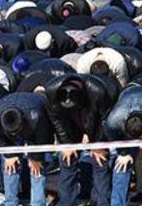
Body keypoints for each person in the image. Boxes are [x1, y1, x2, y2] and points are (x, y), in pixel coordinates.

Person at [45, 74, 116, 206]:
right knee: (67, 159)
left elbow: (105, 120)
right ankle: (66, 202)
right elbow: (56, 119)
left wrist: (99, 144)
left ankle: (101, 201)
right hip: (69, 125)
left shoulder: (98, 92)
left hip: (96, 122)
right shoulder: (51, 91)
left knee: (100, 160)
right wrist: (66, 144)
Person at [0, 92, 54, 206]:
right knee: (10, 165)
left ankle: (38, 203)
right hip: (10, 132)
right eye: (12, 132)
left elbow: (41, 138)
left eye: (16, 131)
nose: (14, 134)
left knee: (37, 167)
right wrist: (9, 155)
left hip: (36, 129)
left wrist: (36, 158)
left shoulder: (36, 116)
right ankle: (10, 202)